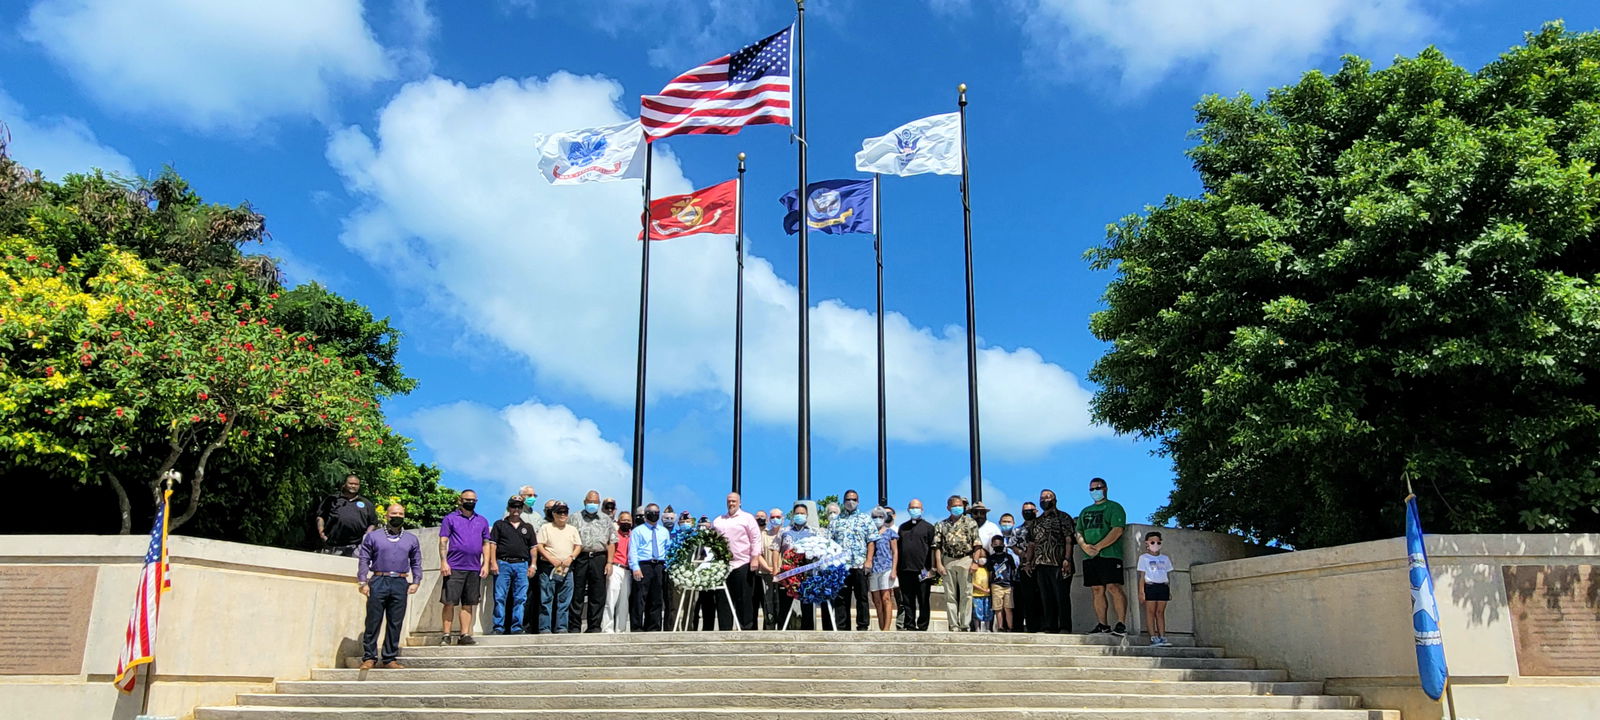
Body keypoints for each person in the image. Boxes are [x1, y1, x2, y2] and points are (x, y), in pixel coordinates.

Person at [355, 503, 422, 669]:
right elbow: (364, 558)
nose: (397, 516)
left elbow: (416, 561)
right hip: (379, 580)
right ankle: (369, 657)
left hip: (400, 582)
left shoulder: (411, 539)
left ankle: (389, 658)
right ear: (386, 515)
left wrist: (416, 581)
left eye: (400, 514)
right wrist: (363, 581)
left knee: (395, 622)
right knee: (373, 620)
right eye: (393, 514)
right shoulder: (374, 536)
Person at [1078, 477, 1129, 636]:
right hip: (1090, 557)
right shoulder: (1085, 511)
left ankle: (1121, 624)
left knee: (1113, 587)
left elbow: (1117, 530)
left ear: (1105, 488)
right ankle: (1102, 624)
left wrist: (1098, 547)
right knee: (1096, 589)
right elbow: (1078, 531)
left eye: (1098, 488)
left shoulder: (1114, 507)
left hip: (1110, 554)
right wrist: (1085, 546)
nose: (1095, 491)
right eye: (1092, 489)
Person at [438, 490, 489, 645]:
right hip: (454, 567)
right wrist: (443, 561)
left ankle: (464, 634)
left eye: (473, 500)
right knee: (449, 602)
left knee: (468, 603)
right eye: (467, 499)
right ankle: (446, 635)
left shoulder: (482, 521)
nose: (470, 502)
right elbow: (443, 541)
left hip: (473, 568)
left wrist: (485, 563)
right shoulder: (450, 518)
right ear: (460, 500)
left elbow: (486, 543)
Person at [712, 492, 763, 630]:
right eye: (729, 501)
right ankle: (725, 628)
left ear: (739, 502)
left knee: (744, 597)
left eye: (734, 501)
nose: (731, 503)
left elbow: (756, 538)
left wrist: (755, 558)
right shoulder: (718, 520)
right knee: (723, 598)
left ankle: (746, 627)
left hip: (743, 562)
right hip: (723, 566)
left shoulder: (748, 518)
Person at [1029, 489, 1076, 634]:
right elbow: (1032, 543)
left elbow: (1069, 539)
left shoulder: (1063, 517)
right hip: (1041, 563)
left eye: (1048, 497)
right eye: (1042, 498)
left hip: (1059, 562)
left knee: (1061, 596)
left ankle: (1064, 626)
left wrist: (1067, 559)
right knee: (1045, 596)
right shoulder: (1037, 521)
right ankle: (1049, 626)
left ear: (1055, 499)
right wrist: (1029, 561)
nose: (1044, 500)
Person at [570, 490, 618, 633]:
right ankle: (574, 626)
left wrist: (609, 562)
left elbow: (611, 542)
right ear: (585, 502)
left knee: (597, 593)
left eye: (595, 502)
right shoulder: (574, 517)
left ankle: (594, 626)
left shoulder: (605, 519)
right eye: (590, 502)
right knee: (577, 592)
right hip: (580, 557)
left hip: (599, 557)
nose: (592, 504)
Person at [487, 495, 535, 635]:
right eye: (513, 506)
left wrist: (533, 565)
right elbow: (493, 545)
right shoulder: (499, 524)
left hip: (522, 565)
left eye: (519, 507)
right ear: (508, 508)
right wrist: (493, 562)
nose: (516, 509)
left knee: (520, 598)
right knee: (500, 597)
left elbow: (533, 548)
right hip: (503, 564)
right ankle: (498, 627)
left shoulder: (528, 527)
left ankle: (517, 627)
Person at [827, 489, 874, 631]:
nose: (850, 502)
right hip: (842, 566)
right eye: (848, 499)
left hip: (860, 564)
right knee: (841, 598)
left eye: (853, 499)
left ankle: (863, 625)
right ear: (843, 501)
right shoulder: (836, 521)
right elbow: (829, 543)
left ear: (858, 502)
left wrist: (869, 561)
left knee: (862, 597)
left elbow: (871, 541)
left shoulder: (865, 519)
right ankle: (842, 627)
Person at [932, 495, 979, 632]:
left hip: (966, 558)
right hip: (948, 559)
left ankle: (965, 624)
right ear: (948, 507)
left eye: (960, 505)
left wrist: (975, 562)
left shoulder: (971, 523)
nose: (958, 508)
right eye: (954, 505)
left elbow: (977, 544)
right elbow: (937, 546)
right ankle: (953, 624)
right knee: (950, 594)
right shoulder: (941, 524)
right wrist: (939, 564)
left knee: (966, 593)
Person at [535, 502, 581, 634]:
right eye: (559, 512)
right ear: (553, 513)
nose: (562, 515)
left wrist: (571, 558)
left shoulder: (572, 529)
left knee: (564, 600)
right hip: (549, 567)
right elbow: (539, 545)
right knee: (546, 599)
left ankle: (561, 627)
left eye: (565, 512)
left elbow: (578, 546)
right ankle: (545, 628)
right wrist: (551, 558)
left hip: (567, 569)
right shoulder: (546, 527)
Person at [778, 504, 820, 630]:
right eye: (797, 513)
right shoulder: (784, 531)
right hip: (788, 572)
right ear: (793, 515)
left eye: (802, 513)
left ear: (807, 515)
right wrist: (776, 569)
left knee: (807, 604)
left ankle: (808, 631)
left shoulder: (814, 532)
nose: (800, 515)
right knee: (785, 604)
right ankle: (782, 630)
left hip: (807, 572)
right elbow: (775, 549)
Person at [896, 498, 936, 631]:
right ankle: (910, 624)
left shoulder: (929, 527)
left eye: (917, 507)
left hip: (923, 571)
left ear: (922, 510)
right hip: (905, 570)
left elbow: (933, 548)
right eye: (912, 508)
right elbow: (898, 549)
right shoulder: (903, 527)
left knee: (923, 600)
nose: (914, 510)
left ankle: (923, 625)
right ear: (908, 510)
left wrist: (932, 569)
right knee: (907, 600)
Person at [629, 503, 670, 631]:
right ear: (646, 514)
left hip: (659, 565)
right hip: (643, 565)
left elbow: (668, 549)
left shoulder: (664, 531)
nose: (654, 515)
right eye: (651, 512)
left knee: (656, 598)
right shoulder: (638, 531)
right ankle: (636, 627)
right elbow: (633, 550)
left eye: (657, 512)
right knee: (639, 597)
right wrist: (635, 567)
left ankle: (653, 627)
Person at [317, 474, 377, 557]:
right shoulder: (332, 500)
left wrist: (366, 538)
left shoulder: (366, 503)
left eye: (356, 484)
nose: (353, 486)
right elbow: (321, 516)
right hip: (332, 545)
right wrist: (321, 533)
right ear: (345, 484)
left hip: (355, 548)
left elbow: (372, 523)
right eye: (351, 483)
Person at [863, 506, 899, 631]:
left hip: (886, 567)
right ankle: (881, 625)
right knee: (876, 600)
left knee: (886, 598)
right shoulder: (869, 533)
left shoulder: (890, 533)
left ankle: (887, 628)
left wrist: (894, 570)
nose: (877, 519)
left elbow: (894, 552)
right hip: (873, 569)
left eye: (880, 516)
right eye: (874, 517)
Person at [1137, 531, 1173, 646]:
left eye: (1158, 542)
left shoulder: (1165, 558)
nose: (1155, 544)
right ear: (1147, 543)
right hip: (1150, 586)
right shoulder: (1143, 558)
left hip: (1163, 586)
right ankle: (1153, 637)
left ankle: (1162, 636)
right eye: (1152, 542)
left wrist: (1169, 589)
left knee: (1160, 612)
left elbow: (1167, 574)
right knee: (1150, 612)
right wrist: (1141, 591)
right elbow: (1142, 576)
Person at [1004, 506, 1037, 633]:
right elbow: (1012, 545)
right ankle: (1027, 626)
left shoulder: (1041, 526)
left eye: (1030, 510)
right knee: (1025, 599)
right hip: (1023, 568)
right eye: (1025, 510)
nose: (1027, 512)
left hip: (1040, 565)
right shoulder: (1018, 530)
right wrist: (1024, 555)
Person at [603, 510, 633, 633]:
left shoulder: (634, 535)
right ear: (619, 521)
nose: (626, 522)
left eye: (628, 520)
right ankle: (607, 628)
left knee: (624, 601)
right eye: (623, 520)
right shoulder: (614, 534)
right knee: (611, 598)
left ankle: (621, 629)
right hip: (616, 567)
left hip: (628, 570)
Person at [760, 507, 785, 629]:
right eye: (773, 517)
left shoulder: (786, 533)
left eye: (778, 517)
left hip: (784, 574)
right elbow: (758, 554)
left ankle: (783, 627)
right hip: (766, 573)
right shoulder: (763, 534)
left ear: (783, 519)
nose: (775, 519)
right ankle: (769, 627)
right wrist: (769, 568)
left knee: (782, 602)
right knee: (768, 602)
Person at [988, 534, 1017, 632]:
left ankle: (1010, 627)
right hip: (996, 585)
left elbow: (1013, 570)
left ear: (1004, 544)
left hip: (1008, 585)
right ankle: (1000, 627)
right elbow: (990, 572)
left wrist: (1012, 584)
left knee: (1008, 607)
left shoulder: (1008, 557)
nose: (998, 546)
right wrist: (990, 584)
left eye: (1000, 544)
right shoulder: (991, 559)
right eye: (995, 544)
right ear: (992, 545)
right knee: (998, 607)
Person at [971, 547, 993, 632]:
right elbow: (972, 582)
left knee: (987, 611)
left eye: (984, 557)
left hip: (987, 595)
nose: (982, 559)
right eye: (980, 557)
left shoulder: (988, 569)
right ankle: (977, 628)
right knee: (977, 612)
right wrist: (981, 589)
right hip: (976, 595)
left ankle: (987, 628)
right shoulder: (974, 570)